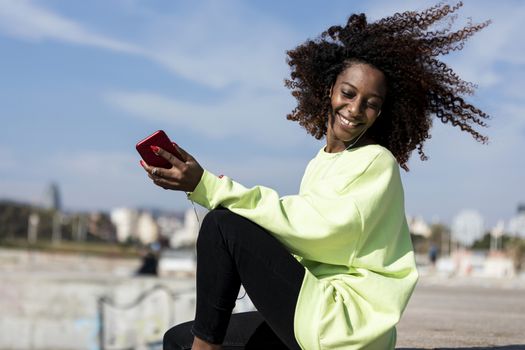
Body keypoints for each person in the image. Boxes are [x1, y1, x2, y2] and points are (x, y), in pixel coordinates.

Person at [140, 2, 490, 349]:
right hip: (315, 305)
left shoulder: (377, 162)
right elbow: (302, 233)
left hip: (343, 323)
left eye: (370, 103)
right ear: (329, 90)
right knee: (177, 339)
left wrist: (208, 186)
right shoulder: (321, 161)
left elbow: (318, 229)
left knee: (222, 226)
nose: (355, 109)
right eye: (348, 93)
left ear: (381, 112)